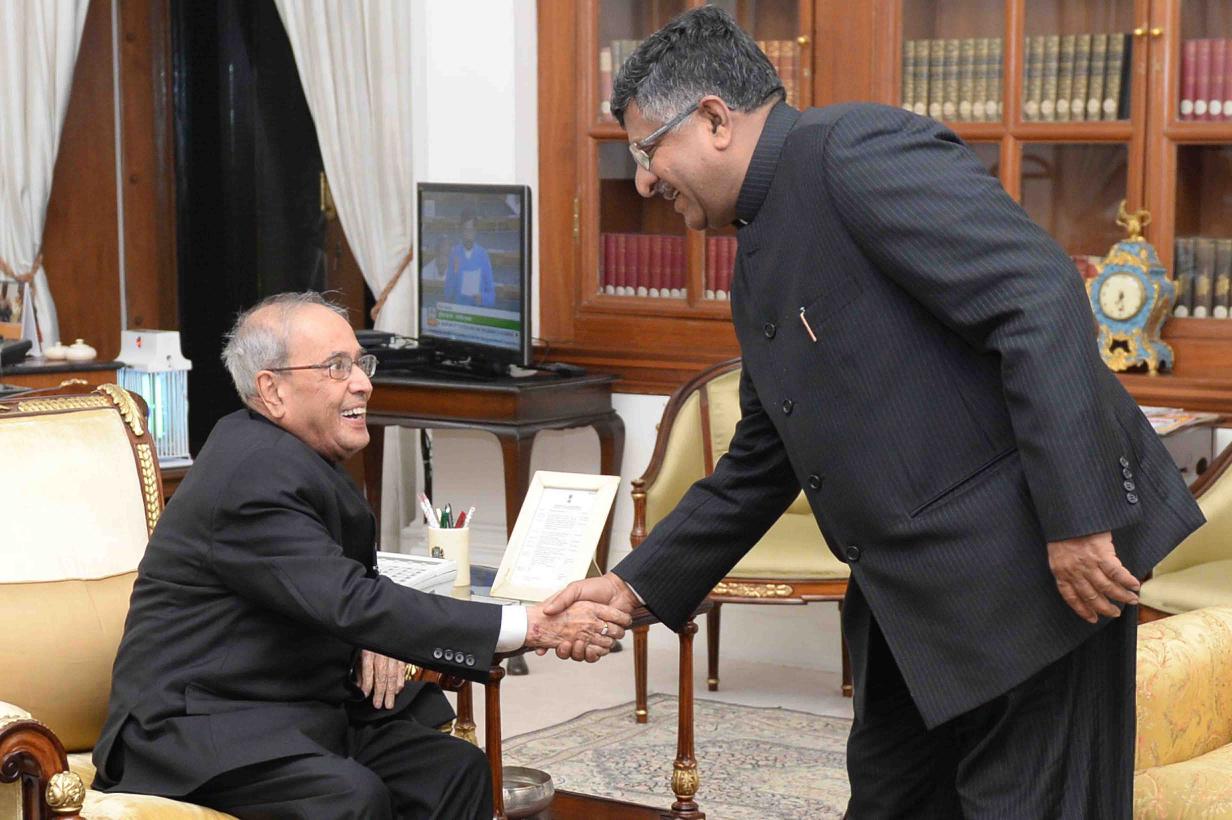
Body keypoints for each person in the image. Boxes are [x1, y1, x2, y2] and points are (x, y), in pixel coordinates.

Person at [542, 7, 1204, 818]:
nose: (644, 180)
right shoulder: (754, 263)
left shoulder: (854, 150)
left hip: (1033, 580)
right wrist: (631, 586)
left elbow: (1037, 294)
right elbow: (763, 459)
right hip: (911, 610)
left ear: (713, 119)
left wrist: (1076, 521)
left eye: (648, 150)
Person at [92, 292, 630, 819]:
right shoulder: (250, 473)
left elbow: (329, 585)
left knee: (454, 770)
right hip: (196, 727)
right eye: (336, 367)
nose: (363, 383)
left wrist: (374, 635)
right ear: (272, 390)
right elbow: (347, 600)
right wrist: (528, 625)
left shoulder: (290, 455)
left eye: (360, 362)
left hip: (293, 710)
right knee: (350, 797)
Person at [443, 207, 495, 307]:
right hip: (459, 311)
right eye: (465, 230)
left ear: (476, 231)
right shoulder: (454, 253)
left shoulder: (483, 255)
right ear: (461, 231)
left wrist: (483, 298)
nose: (468, 235)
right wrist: (454, 272)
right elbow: (447, 294)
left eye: (471, 230)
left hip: (477, 311)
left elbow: (492, 296)